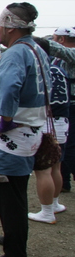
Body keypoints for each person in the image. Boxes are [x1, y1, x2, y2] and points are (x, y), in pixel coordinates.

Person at [0, 2, 47, 257]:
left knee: (9, 191)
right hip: (31, 129)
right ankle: (13, 237)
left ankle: (16, 253)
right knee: (16, 189)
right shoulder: (35, 49)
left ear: (9, 26)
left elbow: (10, 88)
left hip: (16, 130)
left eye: (0, 24)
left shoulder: (15, 53)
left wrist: (5, 120)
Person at [27, 38, 67, 223]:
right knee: (56, 165)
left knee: (43, 169)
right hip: (62, 121)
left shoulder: (39, 69)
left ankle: (47, 211)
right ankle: (55, 203)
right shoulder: (59, 69)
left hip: (46, 122)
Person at [47, 28, 75, 193]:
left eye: (55, 38)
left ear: (62, 39)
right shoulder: (57, 59)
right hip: (62, 106)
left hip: (72, 105)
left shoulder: (71, 53)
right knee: (61, 146)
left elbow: (63, 51)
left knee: (70, 147)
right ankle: (64, 182)